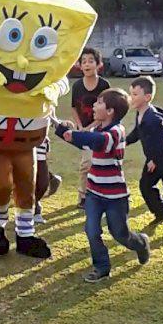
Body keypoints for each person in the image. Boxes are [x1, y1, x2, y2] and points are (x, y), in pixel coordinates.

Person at [56, 88, 150, 283]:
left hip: (115, 197)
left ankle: (140, 242)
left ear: (110, 111)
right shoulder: (96, 130)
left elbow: (97, 142)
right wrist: (57, 127)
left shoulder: (116, 132)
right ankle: (102, 267)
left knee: (120, 235)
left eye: (98, 103)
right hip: (94, 194)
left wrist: (72, 134)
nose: (93, 106)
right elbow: (84, 144)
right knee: (91, 230)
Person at [127, 76, 163, 224]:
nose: (131, 98)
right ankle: (162, 212)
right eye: (130, 94)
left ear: (147, 97)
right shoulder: (140, 113)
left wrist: (154, 160)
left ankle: (162, 211)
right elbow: (137, 133)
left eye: (134, 94)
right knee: (146, 185)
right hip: (155, 158)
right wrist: (122, 141)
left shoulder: (153, 119)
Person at [71, 47, 110, 209]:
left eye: (91, 61)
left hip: (101, 129)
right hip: (84, 130)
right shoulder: (77, 85)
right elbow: (74, 107)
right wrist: (80, 126)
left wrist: (92, 126)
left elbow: (109, 108)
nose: (87, 64)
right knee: (86, 164)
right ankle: (84, 197)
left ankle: (102, 195)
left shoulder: (104, 84)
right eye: (83, 61)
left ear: (98, 64)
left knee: (98, 163)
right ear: (79, 65)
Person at [34, 136, 62, 224]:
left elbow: (46, 156)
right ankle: (35, 211)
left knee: (43, 185)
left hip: (41, 159)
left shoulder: (46, 140)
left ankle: (34, 207)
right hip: (27, 160)